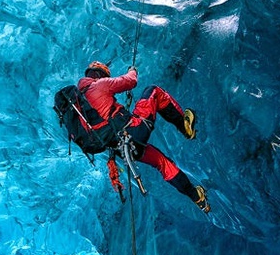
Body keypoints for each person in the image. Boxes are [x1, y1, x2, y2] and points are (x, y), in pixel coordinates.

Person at [78, 61, 210, 212]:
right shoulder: (99, 85)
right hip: (133, 131)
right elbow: (130, 81)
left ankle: (198, 198)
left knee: (162, 163)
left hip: (122, 149)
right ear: (100, 74)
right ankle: (185, 127)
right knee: (153, 91)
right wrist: (132, 70)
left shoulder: (80, 107)